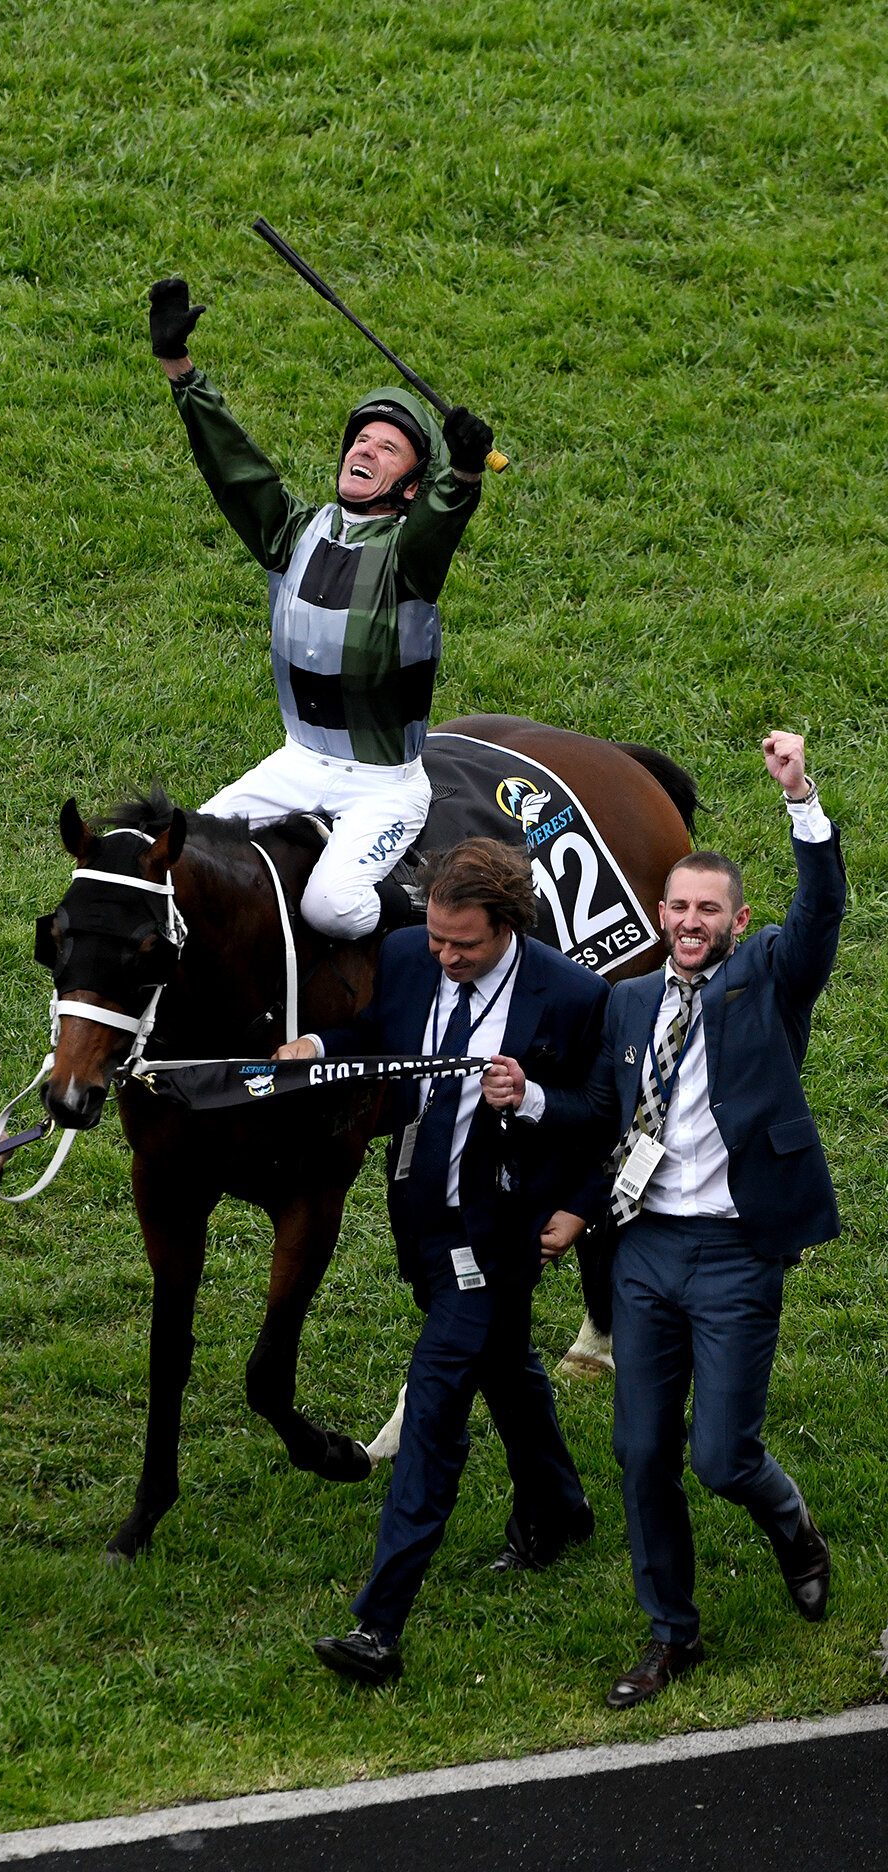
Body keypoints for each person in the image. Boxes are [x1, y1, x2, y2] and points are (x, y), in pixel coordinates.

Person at [508, 732, 843, 1709]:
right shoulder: (628, 1006)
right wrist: (531, 1107)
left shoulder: (769, 983)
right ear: (659, 915)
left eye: (709, 911)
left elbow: (822, 910)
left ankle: (793, 1528)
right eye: (679, 908)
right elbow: (602, 1120)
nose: (691, 923)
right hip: (647, 1251)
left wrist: (802, 801)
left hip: (738, 1252)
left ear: (738, 921)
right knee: (641, 1451)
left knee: (720, 1455)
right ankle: (671, 1633)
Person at [275, 838, 608, 1683]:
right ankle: (562, 1511)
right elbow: (375, 1037)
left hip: (500, 1239)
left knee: (434, 1410)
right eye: (437, 939)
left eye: (464, 944)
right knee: (506, 1367)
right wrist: (320, 1044)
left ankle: (378, 1628)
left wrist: (533, 1105)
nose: (446, 957)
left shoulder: (570, 997)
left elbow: (601, 1115)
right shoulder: (405, 957)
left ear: (510, 926)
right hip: (421, 1220)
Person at [148, 275, 494, 940]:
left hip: (383, 786)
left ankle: (424, 928)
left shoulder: (409, 556)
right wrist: (179, 369)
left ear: (411, 485)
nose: (364, 448)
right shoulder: (291, 532)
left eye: (386, 447)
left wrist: (464, 473)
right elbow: (234, 466)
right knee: (178, 861)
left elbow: (441, 521)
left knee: (332, 907)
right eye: (359, 441)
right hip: (297, 763)